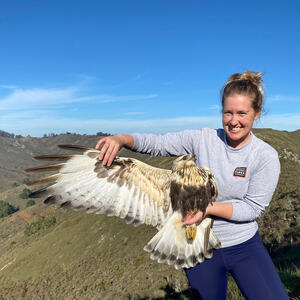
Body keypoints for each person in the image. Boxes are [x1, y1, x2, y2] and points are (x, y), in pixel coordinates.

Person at [96, 71, 289, 300]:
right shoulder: (203, 139)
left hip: (244, 245)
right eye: (228, 112)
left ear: (256, 114)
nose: (233, 120)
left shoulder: (265, 156)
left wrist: (207, 210)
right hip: (197, 245)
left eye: (242, 113)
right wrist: (122, 139)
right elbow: (159, 144)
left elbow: (253, 208)